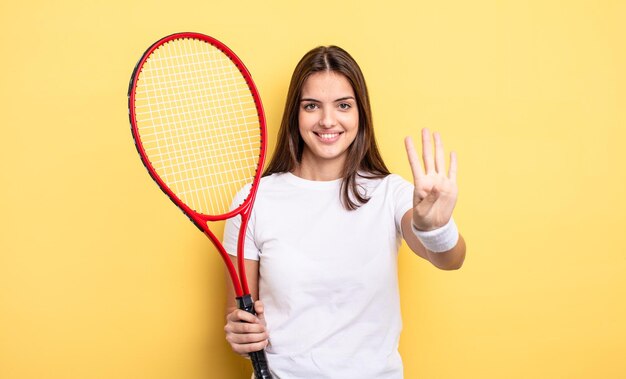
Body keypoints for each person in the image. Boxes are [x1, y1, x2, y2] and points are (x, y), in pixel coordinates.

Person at [223, 45, 466, 379]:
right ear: (296, 113)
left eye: (343, 106)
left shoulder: (389, 193)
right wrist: (242, 332)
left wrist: (433, 227)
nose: (327, 120)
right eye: (311, 106)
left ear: (359, 114)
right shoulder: (252, 201)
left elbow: (450, 259)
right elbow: (241, 315)